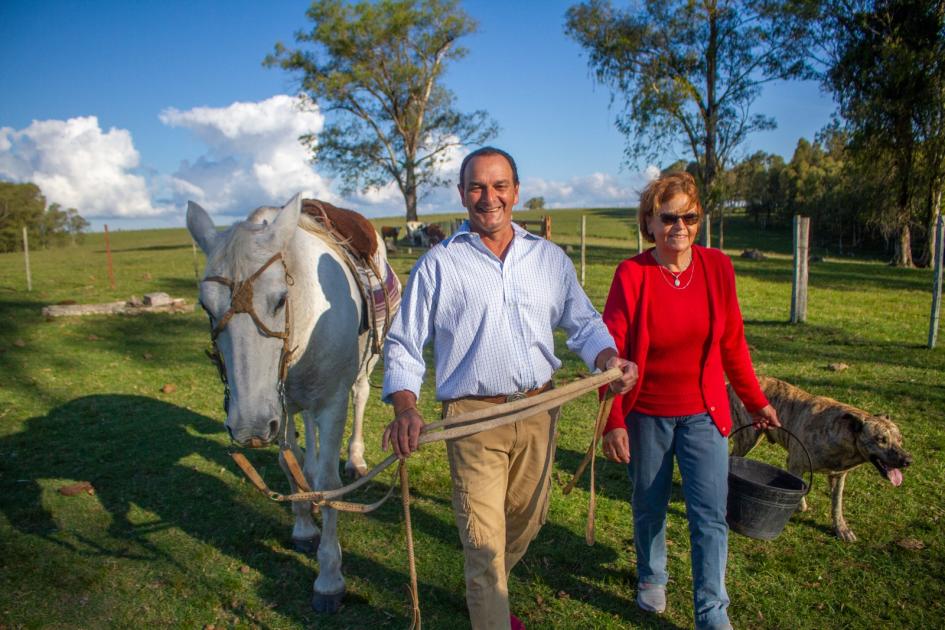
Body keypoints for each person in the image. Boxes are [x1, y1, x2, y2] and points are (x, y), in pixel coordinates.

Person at [382, 147, 638, 630]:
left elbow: (583, 323)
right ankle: (489, 602)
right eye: (477, 187)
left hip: (541, 410)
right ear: (462, 194)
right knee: (482, 544)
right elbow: (404, 343)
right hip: (475, 420)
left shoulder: (549, 259)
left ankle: (486, 591)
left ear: (515, 192)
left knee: (526, 522)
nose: (488, 197)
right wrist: (405, 406)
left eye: (499, 186)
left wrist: (608, 359)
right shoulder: (438, 265)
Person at [600, 172, 779, 630]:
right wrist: (613, 420)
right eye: (669, 217)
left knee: (710, 516)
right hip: (647, 416)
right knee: (649, 504)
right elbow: (612, 356)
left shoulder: (718, 267)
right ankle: (651, 576)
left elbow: (734, 345)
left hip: (705, 414)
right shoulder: (632, 274)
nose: (680, 226)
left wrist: (756, 402)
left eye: (690, 216)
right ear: (650, 223)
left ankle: (712, 612)